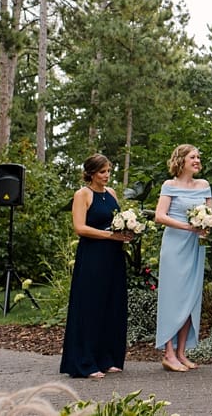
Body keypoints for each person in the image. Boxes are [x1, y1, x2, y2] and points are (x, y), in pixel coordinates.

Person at [60, 154, 133, 379]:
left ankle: (107, 358)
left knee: (111, 304)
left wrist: (127, 231)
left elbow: (116, 221)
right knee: (91, 306)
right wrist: (110, 235)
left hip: (114, 256)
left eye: (109, 171)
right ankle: (85, 361)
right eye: (102, 172)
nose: (107, 175)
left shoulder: (111, 193)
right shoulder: (82, 194)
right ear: (91, 173)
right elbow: (80, 228)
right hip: (92, 256)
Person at [154, 144, 212, 372]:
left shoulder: (204, 185)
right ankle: (168, 353)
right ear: (181, 161)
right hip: (174, 246)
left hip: (196, 247)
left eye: (198, 157)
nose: (197, 160)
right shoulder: (170, 185)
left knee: (191, 298)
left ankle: (181, 352)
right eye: (192, 157)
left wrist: (206, 228)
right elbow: (160, 216)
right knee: (173, 298)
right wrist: (188, 227)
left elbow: (210, 215)